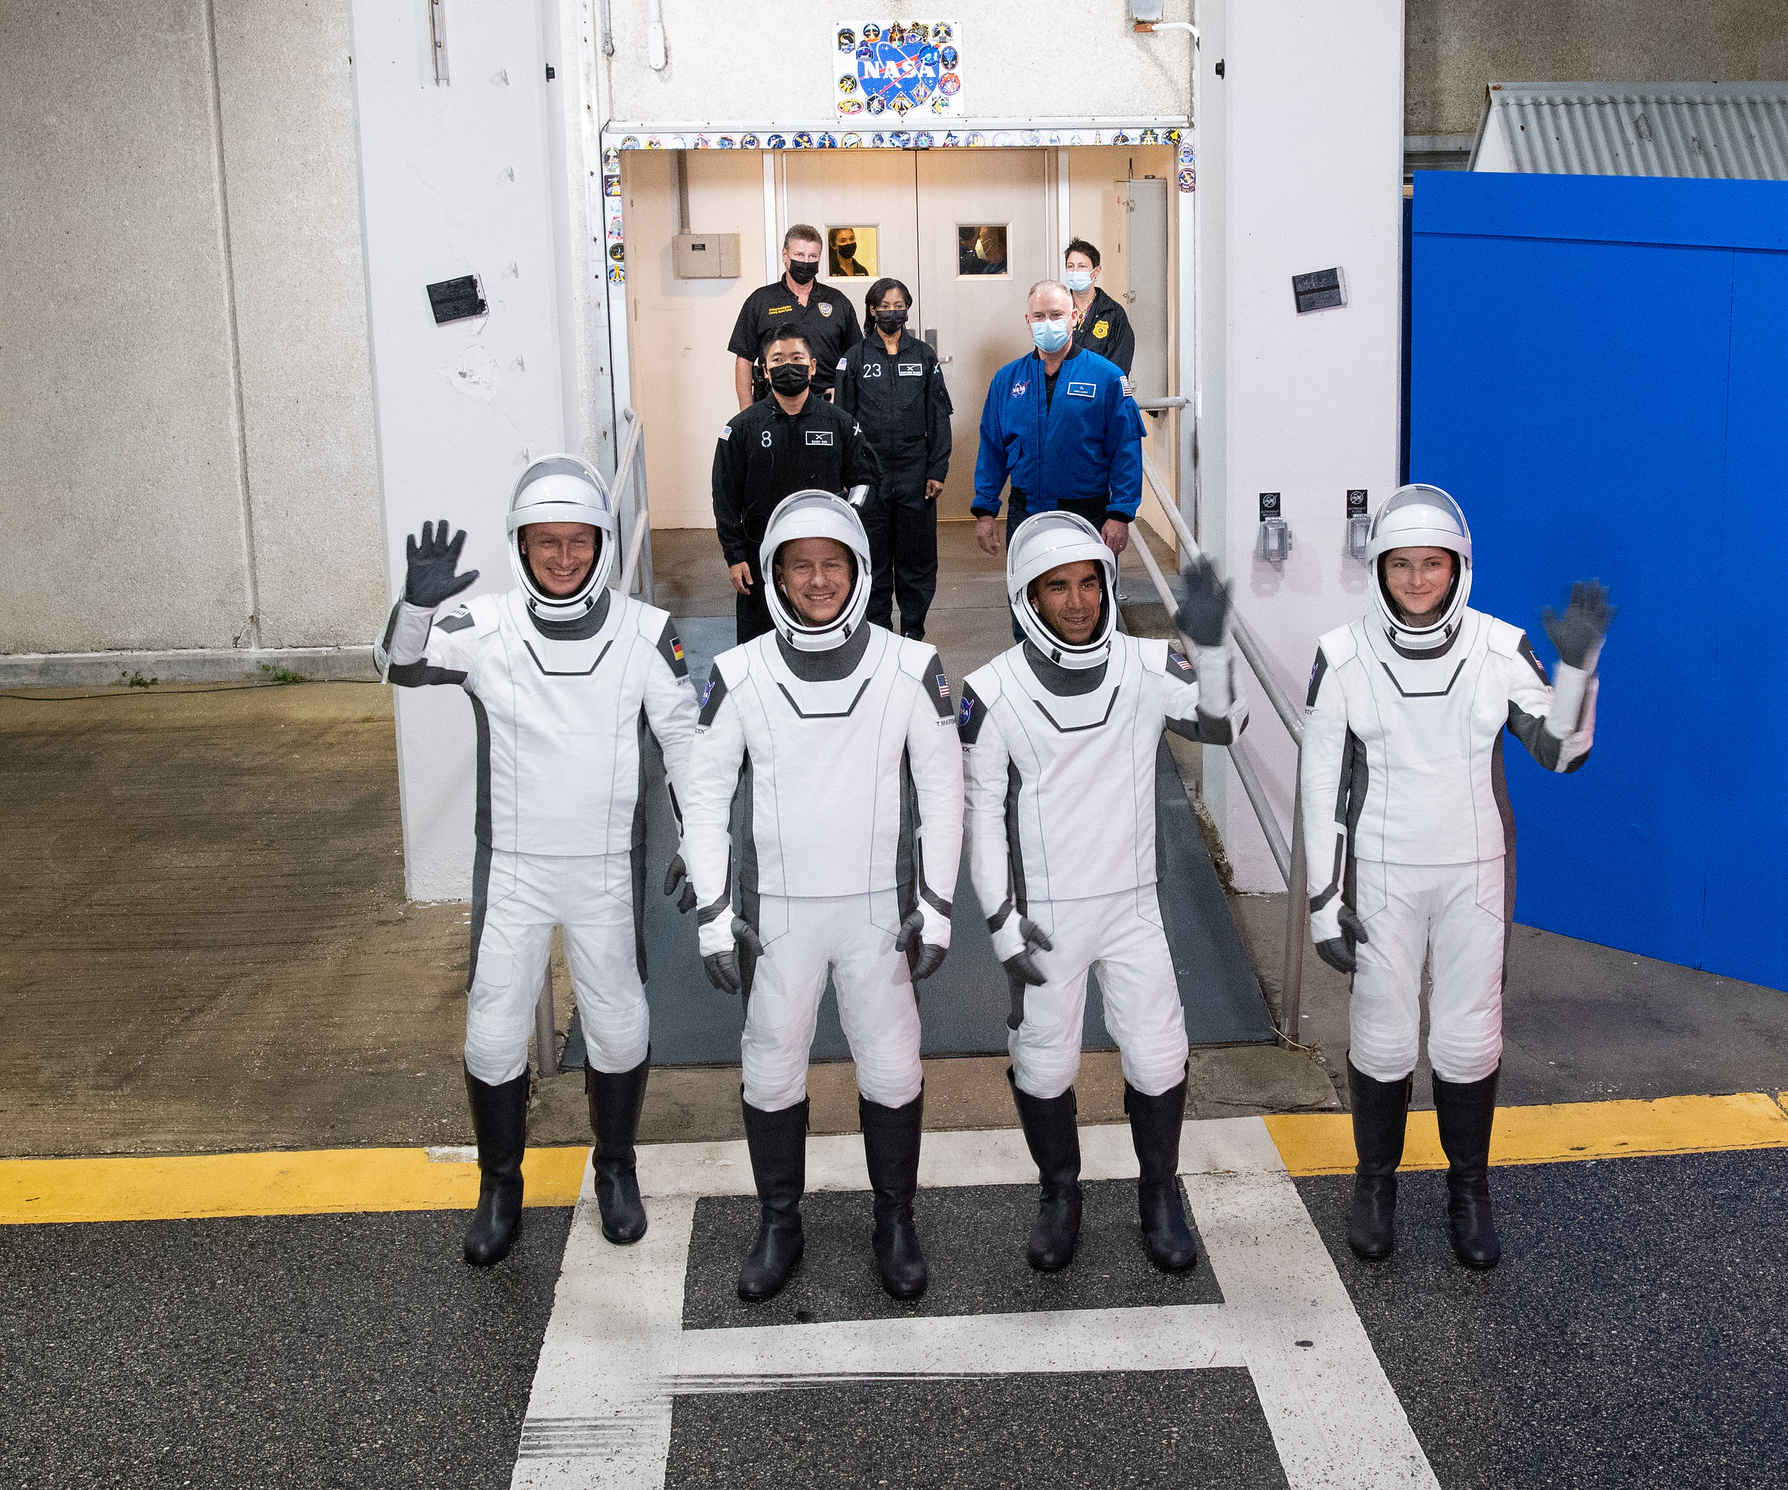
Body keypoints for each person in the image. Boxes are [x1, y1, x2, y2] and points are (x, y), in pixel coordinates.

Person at [374, 456, 701, 1268]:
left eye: (578, 542)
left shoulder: (648, 632)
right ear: (520, 546)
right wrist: (415, 605)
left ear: (601, 542)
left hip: (602, 868)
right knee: (491, 1035)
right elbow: (397, 667)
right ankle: (500, 1185)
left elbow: (688, 743)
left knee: (620, 1023)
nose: (563, 558)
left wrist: (704, 838)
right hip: (514, 868)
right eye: (545, 543)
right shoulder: (483, 628)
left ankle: (616, 1168)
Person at [1301, 484, 1613, 1272]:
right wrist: (1322, 901)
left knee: (1469, 1038)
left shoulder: (1499, 648)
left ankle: (1469, 1190)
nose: (1415, 581)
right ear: (1378, 569)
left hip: (1474, 872)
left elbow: (1562, 753)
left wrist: (1578, 669)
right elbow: (1320, 790)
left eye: (1431, 565)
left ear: (1457, 568)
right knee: (1381, 1028)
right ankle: (1375, 1185)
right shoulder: (1342, 655)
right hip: (1379, 875)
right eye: (1400, 565)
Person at [684, 491, 963, 1304]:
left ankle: (895, 1219)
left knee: (892, 1067)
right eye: (798, 565)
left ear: (859, 570)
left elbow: (944, 796)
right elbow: (704, 798)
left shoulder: (913, 666)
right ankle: (780, 1222)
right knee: (770, 1073)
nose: (815, 580)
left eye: (831, 563)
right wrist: (710, 913)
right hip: (779, 918)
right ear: (773, 574)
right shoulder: (737, 673)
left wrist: (938, 906)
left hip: (880, 915)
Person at [959, 512, 1247, 1276]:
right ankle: (1061, 1195)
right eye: (1059, 586)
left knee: (1158, 1057)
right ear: (1028, 596)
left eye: (1090, 582)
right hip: (1045, 918)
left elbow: (1223, 727)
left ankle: (1159, 1191)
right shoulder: (992, 692)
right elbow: (981, 817)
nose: (1079, 601)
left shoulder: (1149, 665)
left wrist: (1212, 647)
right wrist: (1000, 922)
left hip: (1132, 907)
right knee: (1045, 1064)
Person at [713, 326, 882, 643]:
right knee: (759, 648)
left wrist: (847, 516)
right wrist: (734, 557)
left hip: (825, 555)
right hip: (760, 558)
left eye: (796, 357)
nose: (787, 365)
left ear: (813, 366)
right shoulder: (740, 430)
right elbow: (725, 499)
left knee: (827, 640)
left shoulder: (841, 424)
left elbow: (866, 481)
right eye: (777, 359)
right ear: (764, 369)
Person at [972, 280, 1143, 567]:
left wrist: (1120, 515)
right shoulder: (1007, 380)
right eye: (1039, 316)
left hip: (1088, 516)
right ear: (1028, 321)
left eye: (1056, 315)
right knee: (1029, 604)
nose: (1046, 323)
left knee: (1089, 605)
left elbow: (1126, 450)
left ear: (1074, 317)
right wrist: (985, 511)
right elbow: (992, 449)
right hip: (1026, 514)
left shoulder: (1107, 377)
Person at [835, 277, 953, 640]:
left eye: (899, 305)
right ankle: (880, 635)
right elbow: (843, 420)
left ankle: (914, 633)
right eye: (884, 306)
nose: (892, 312)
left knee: (916, 561)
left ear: (907, 309)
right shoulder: (854, 358)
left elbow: (939, 416)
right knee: (873, 559)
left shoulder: (923, 355)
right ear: (871, 310)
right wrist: (847, 473)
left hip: (915, 474)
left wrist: (937, 469)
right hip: (869, 478)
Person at [727, 224, 863, 408]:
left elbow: (855, 359)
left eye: (812, 256)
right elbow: (744, 361)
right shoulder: (761, 301)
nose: (806, 261)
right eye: (799, 255)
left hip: (827, 406)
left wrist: (845, 395)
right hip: (773, 407)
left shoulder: (837, 301)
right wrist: (747, 413)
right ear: (785, 255)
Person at [1064, 238, 1135, 380]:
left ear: (1096, 271)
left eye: (1082, 266)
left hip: (1100, 394)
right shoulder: (1057, 310)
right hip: (1061, 393)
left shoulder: (1113, 314)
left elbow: (1119, 365)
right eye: (1070, 266)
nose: (1075, 271)